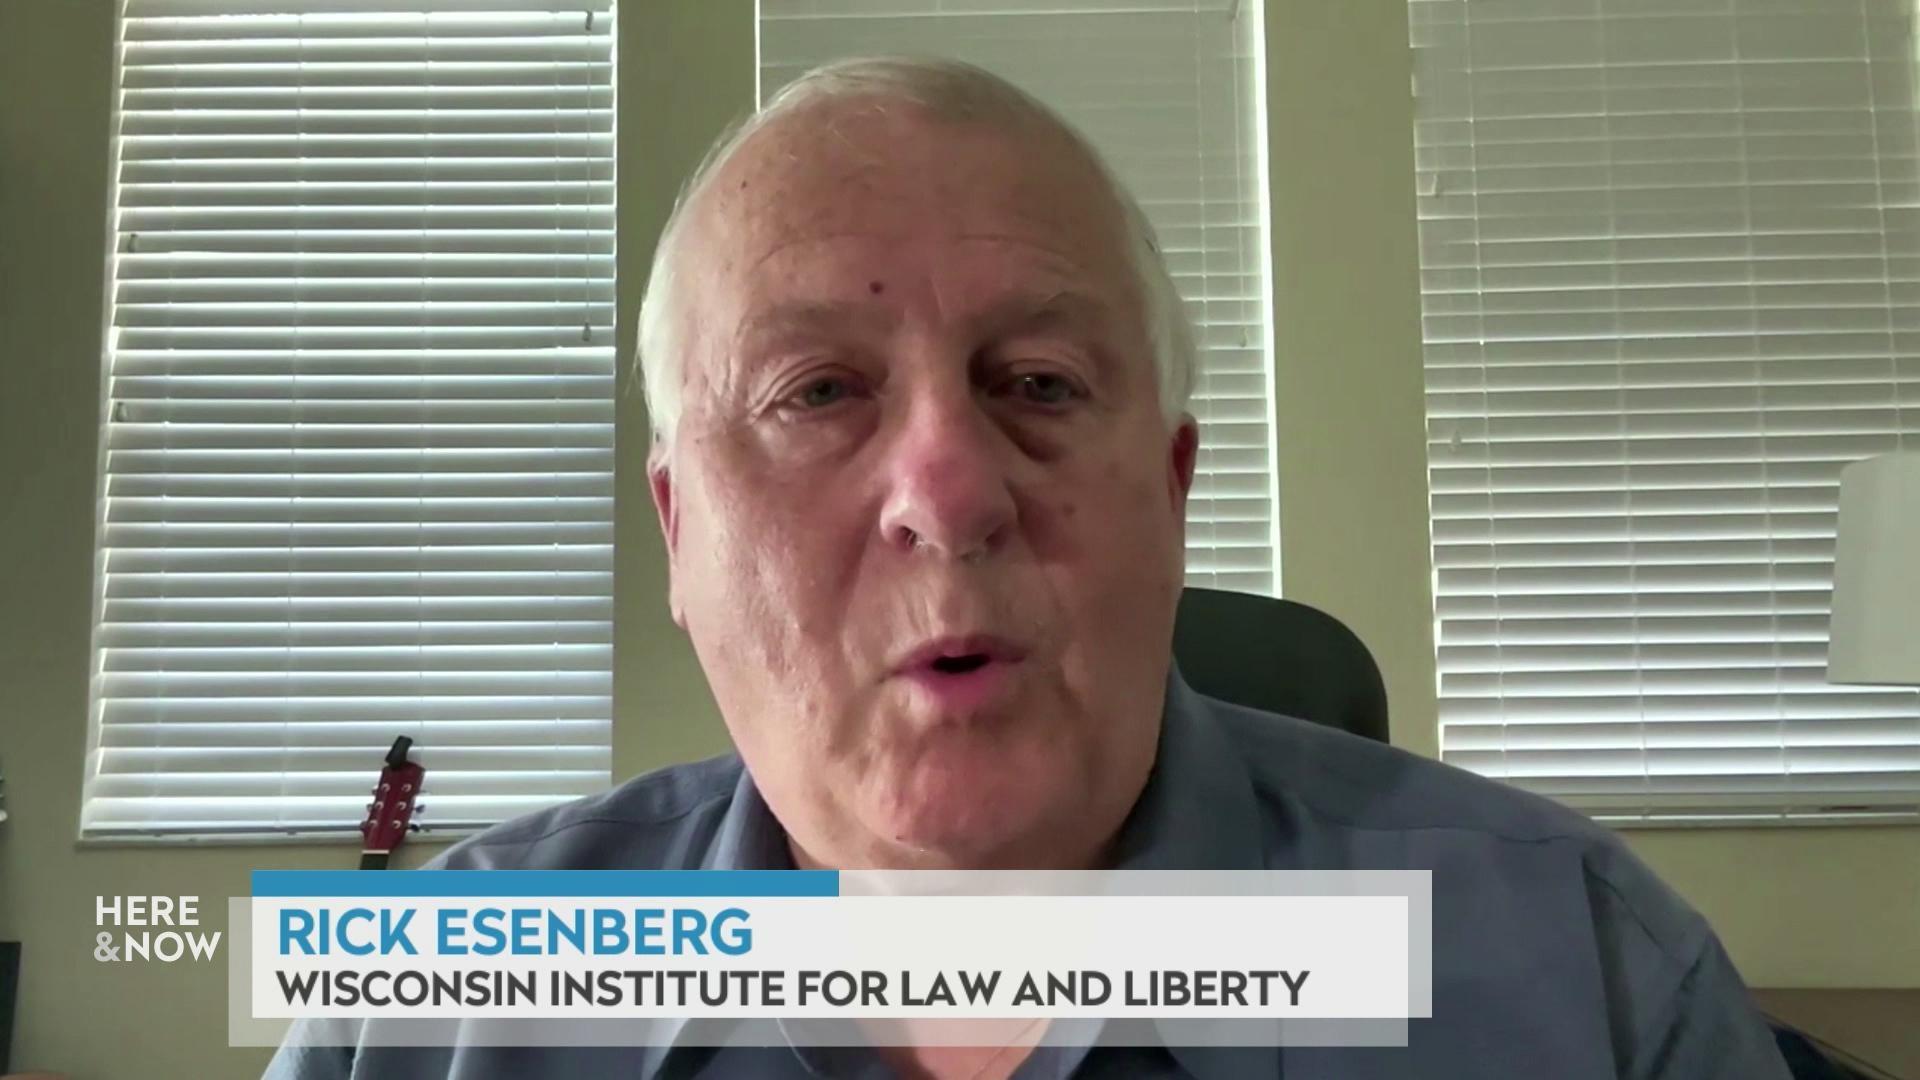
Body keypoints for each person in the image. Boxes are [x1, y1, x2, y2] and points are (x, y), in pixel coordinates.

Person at [266, 57, 1792, 1080]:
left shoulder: (1591, 982)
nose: (947, 488)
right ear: (681, 532)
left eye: (1044, 382)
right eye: (817, 394)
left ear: (1176, 494)